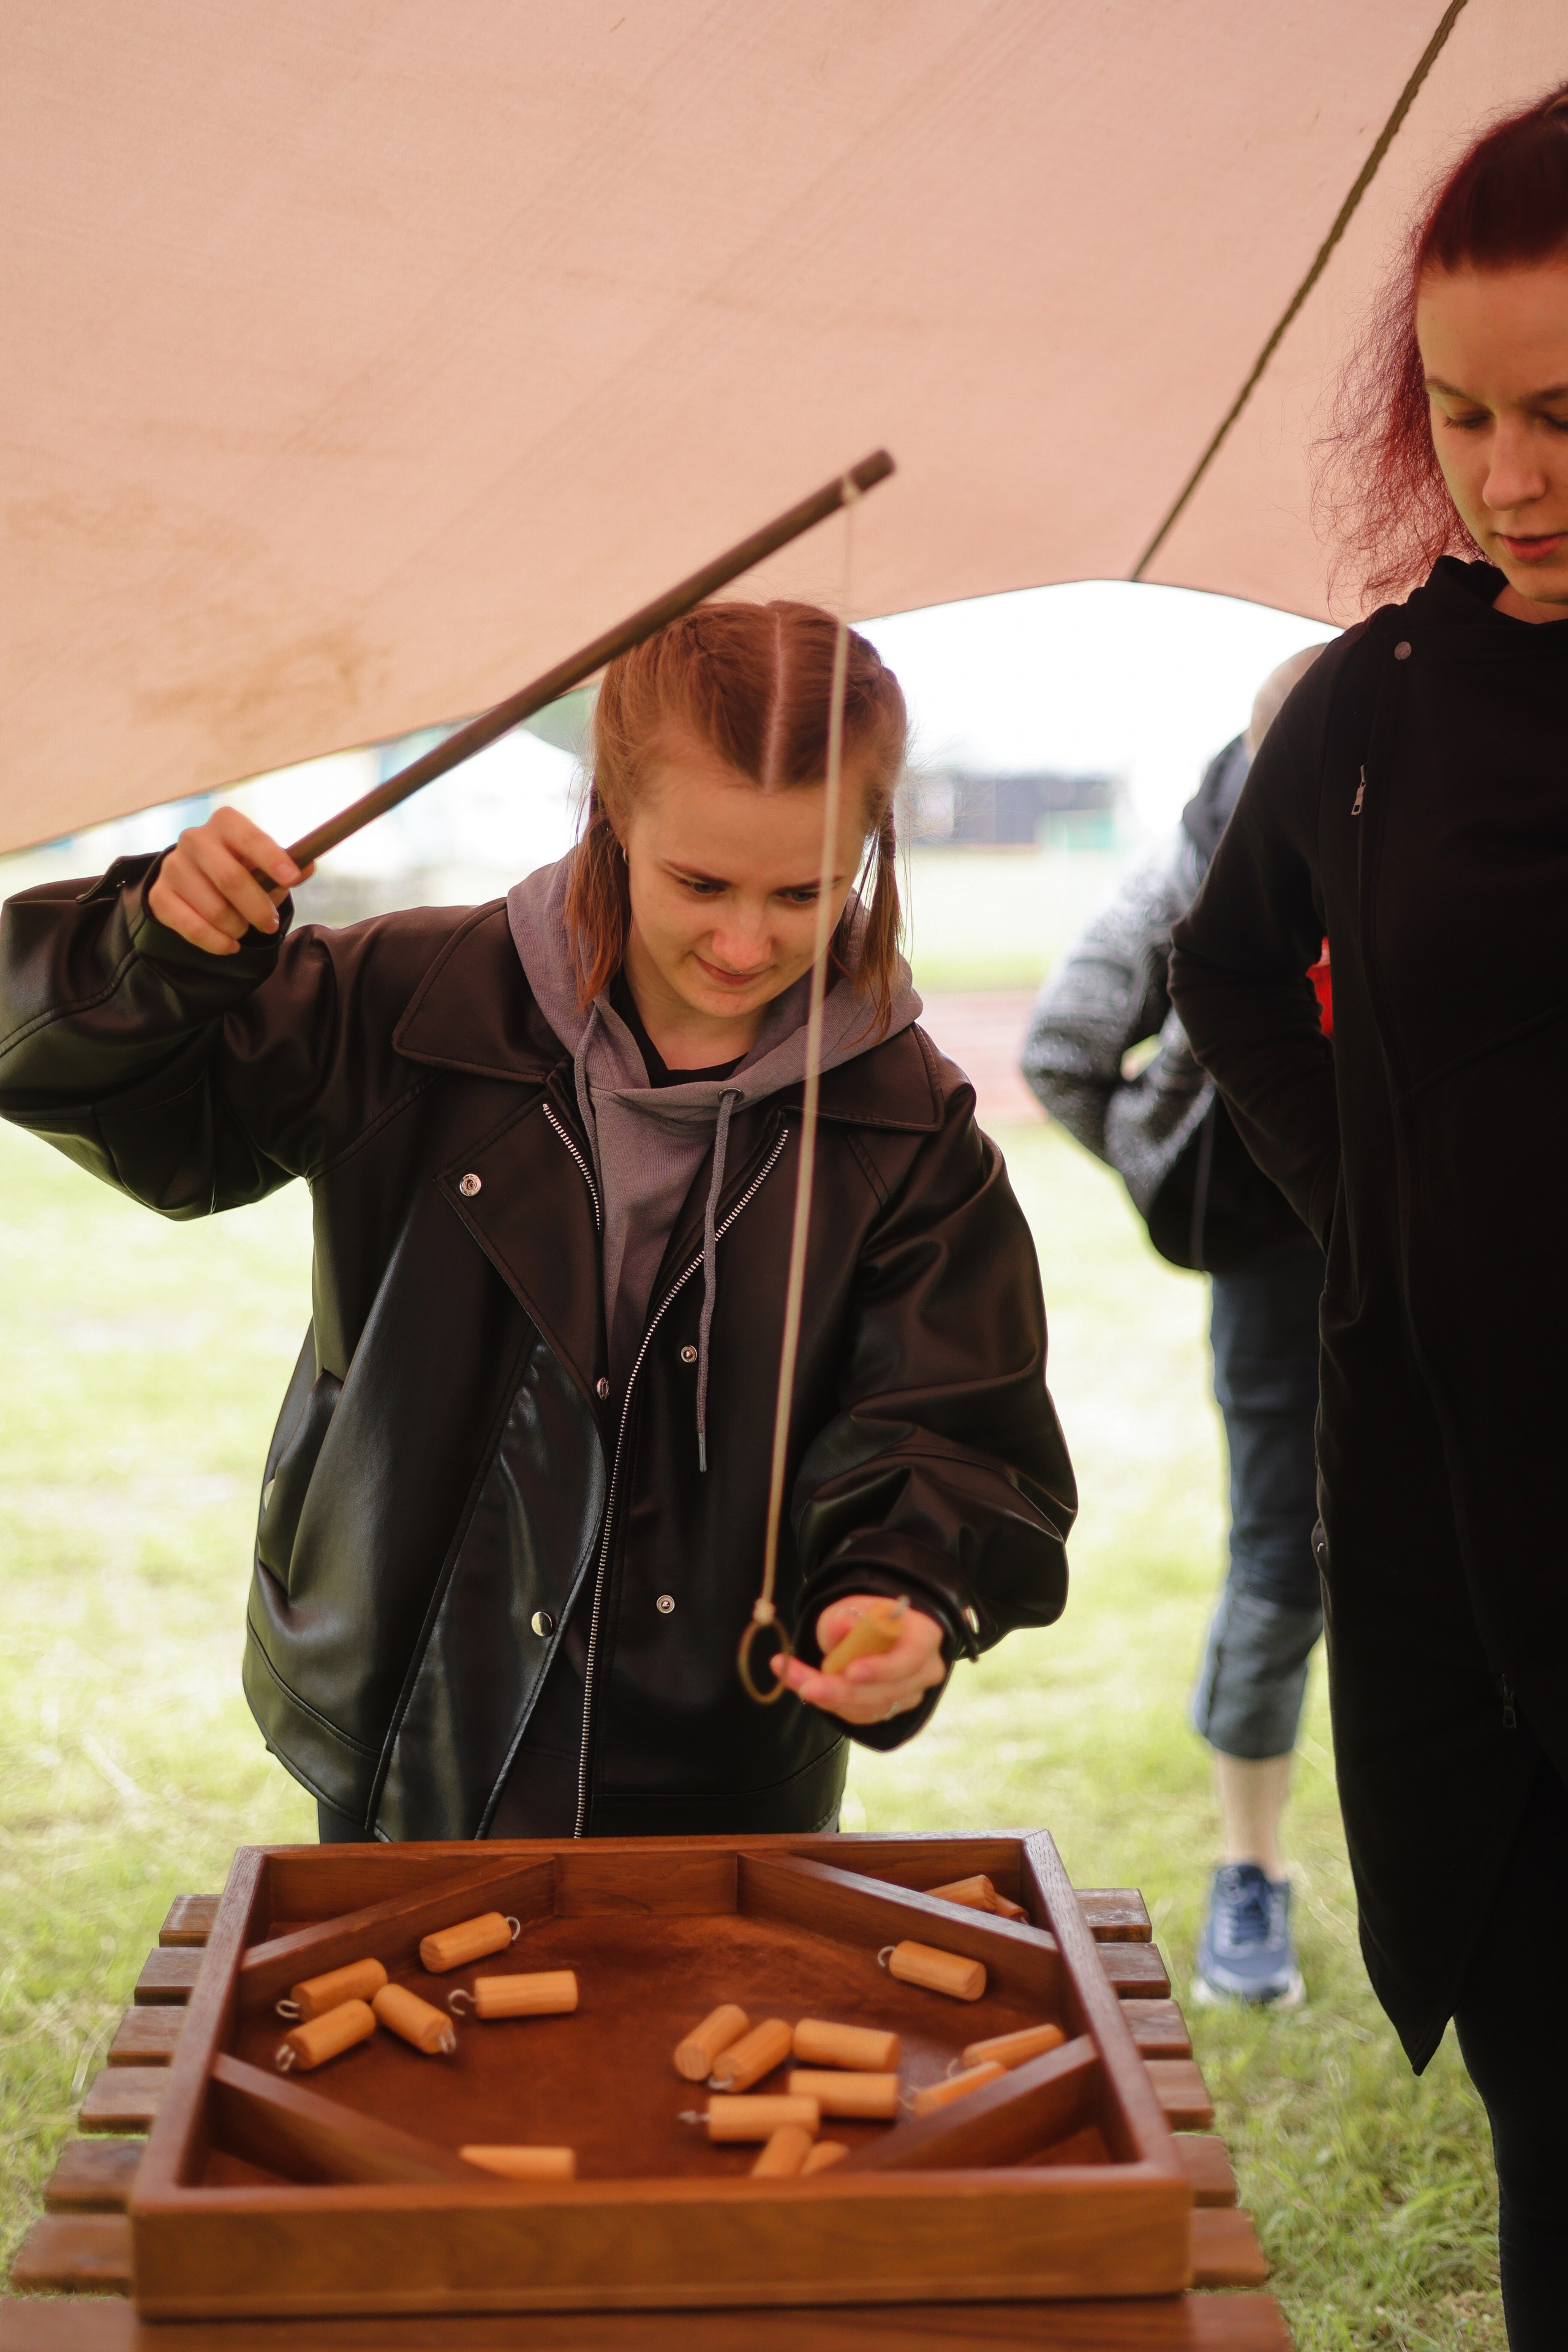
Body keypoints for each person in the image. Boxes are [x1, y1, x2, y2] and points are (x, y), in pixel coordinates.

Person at [0, 600, 1076, 1845]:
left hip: (719, 1770)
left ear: (871, 846)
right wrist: (154, 950)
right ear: (608, 810)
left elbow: (953, 1433)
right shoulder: (407, 1006)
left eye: (805, 892)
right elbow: (82, 1081)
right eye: (699, 882)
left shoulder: (911, 1128)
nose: (743, 942)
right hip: (413, 1727)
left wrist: (903, 1588)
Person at [1167, 87, 1568, 2350]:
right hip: (1470, 1596)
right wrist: (1374, 1199)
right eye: (1462, 413)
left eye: (1566, 416)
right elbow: (1230, 973)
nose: (1507, 479)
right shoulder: (1369, 708)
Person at [1022, 649, 1325, 2010]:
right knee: (1283, 1557)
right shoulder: (1189, 870)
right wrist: (1176, 1173)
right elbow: (1061, 1052)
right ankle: (1249, 1871)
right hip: (1278, 1266)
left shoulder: (1447, 849)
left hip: (1461, 1254)